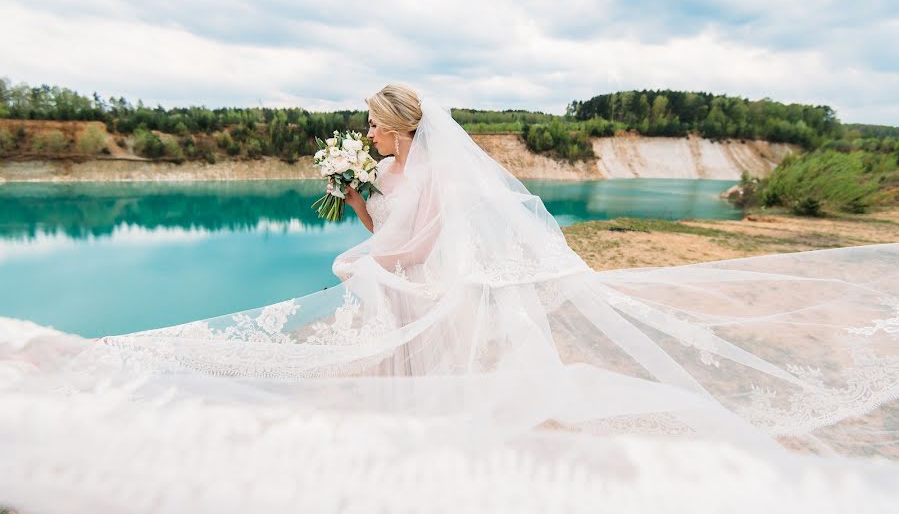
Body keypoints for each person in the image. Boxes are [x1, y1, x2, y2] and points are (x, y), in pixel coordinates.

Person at [2, 83, 899, 512]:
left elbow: (420, 243)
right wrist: (355, 200)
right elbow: (384, 233)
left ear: (398, 126)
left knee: (415, 372)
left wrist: (370, 249)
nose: (365, 135)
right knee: (396, 372)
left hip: (425, 290)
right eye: (364, 129)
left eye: (373, 127)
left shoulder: (427, 169)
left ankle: (420, 462)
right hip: (406, 285)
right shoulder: (387, 167)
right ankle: (403, 445)